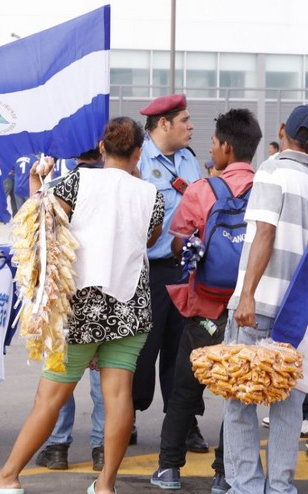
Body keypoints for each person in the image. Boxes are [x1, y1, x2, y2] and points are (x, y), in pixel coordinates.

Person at [0, 117, 164, 494]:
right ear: (138, 153)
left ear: (101, 148)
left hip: (80, 306)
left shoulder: (76, 181)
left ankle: (8, 476)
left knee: (50, 396)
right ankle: (106, 484)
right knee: (118, 395)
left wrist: (38, 183)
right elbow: (148, 238)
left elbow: (44, 225)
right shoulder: (152, 195)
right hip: (130, 304)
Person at [150, 109, 262, 493]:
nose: (210, 149)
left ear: (227, 147)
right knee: (237, 395)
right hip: (247, 309)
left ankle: (168, 470)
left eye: (213, 143)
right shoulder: (265, 188)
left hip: (204, 309)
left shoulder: (202, 190)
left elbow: (180, 241)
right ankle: (223, 474)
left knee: (184, 388)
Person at [222, 104, 308, 494]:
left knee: (241, 398)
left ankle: (245, 486)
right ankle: (280, 488)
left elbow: (264, 234)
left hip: (259, 306)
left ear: (283, 131)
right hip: (300, 315)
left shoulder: (273, 169)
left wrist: (248, 296)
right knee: (288, 403)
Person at [132, 94, 205, 452]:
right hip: (148, 272)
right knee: (141, 350)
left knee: (184, 350)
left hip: (186, 270)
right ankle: (125, 413)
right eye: (185, 121)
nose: (192, 127)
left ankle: (184, 422)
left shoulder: (190, 162)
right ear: (164, 124)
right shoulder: (138, 160)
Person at [33, 145, 106, 473]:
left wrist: (38, 179)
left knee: (59, 374)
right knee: (103, 378)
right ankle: (102, 448)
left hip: (65, 294)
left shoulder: (62, 186)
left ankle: (58, 445)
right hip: (105, 295)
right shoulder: (116, 188)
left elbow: (36, 224)